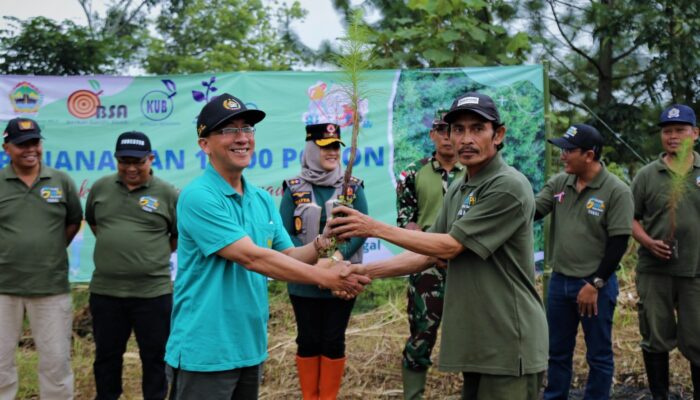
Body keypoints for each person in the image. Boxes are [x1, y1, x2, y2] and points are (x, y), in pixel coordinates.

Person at [329, 92, 548, 400]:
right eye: (458, 129)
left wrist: (372, 227)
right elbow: (426, 254)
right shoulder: (462, 186)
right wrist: (360, 271)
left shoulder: (508, 186)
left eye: (477, 128)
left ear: (498, 135)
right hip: (478, 341)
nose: (466, 138)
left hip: (508, 341)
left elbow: (449, 246)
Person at [164, 93, 370, 400]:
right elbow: (251, 257)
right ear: (204, 144)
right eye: (228, 130)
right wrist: (325, 277)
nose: (242, 138)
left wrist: (322, 242)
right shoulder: (199, 196)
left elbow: (288, 255)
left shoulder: (260, 198)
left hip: (250, 347)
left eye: (247, 129)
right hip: (205, 350)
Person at [536, 124, 633, 400]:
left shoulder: (616, 191)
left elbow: (618, 244)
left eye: (568, 151)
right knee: (557, 352)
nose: (562, 156)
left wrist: (595, 283)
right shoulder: (559, 183)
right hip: (559, 284)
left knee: (599, 355)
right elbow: (533, 209)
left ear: (589, 155)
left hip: (595, 286)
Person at [86, 131, 178, 400]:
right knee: (106, 357)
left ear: (150, 159)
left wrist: (147, 257)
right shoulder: (101, 188)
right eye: (124, 161)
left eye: (138, 161)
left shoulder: (167, 192)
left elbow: (176, 235)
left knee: (155, 357)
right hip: (106, 292)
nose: (131, 168)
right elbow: (94, 223)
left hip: (153, 293)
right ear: (116, 160)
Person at [279, 122, 368, 399]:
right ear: (310, 149)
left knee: (333, 339)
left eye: (335, 147)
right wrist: (313, 264)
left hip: (343, 277)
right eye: (325, 147)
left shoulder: (351, 186)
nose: (332, 153)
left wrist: (336, 258)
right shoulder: (294, 188)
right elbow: (283, 234)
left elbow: (362, 229)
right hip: (304, 279)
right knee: (307, 339)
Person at [0, 118, 82, 400]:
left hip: (51, 287)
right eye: (22, 144)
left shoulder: (61, 181)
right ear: (6, 147)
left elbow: (73, 221)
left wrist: (48, 249)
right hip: (3, 288)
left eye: (34, 142)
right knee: (0, 367)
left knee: (56, 365)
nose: (30, 149)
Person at [631, 104, 700, 399]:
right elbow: (629, 217)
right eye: (667, 131)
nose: (673, 137)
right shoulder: (648, 175)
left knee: (698, 339)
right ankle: (660, 395)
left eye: (680, 130)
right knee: (655, 337)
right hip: (654, 271)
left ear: (695, 134)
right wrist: (647, 241)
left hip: (696, 271)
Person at [395, 110, 464, 399]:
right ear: (432, 134)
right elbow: (406, 223)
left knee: (472, 334)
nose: (448, 137)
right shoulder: (413, 172)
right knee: (421, 335)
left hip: (468, 264)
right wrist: (430, 248)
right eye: (441, 130)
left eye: (453, 130)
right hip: (427, 268)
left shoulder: (475, 170)